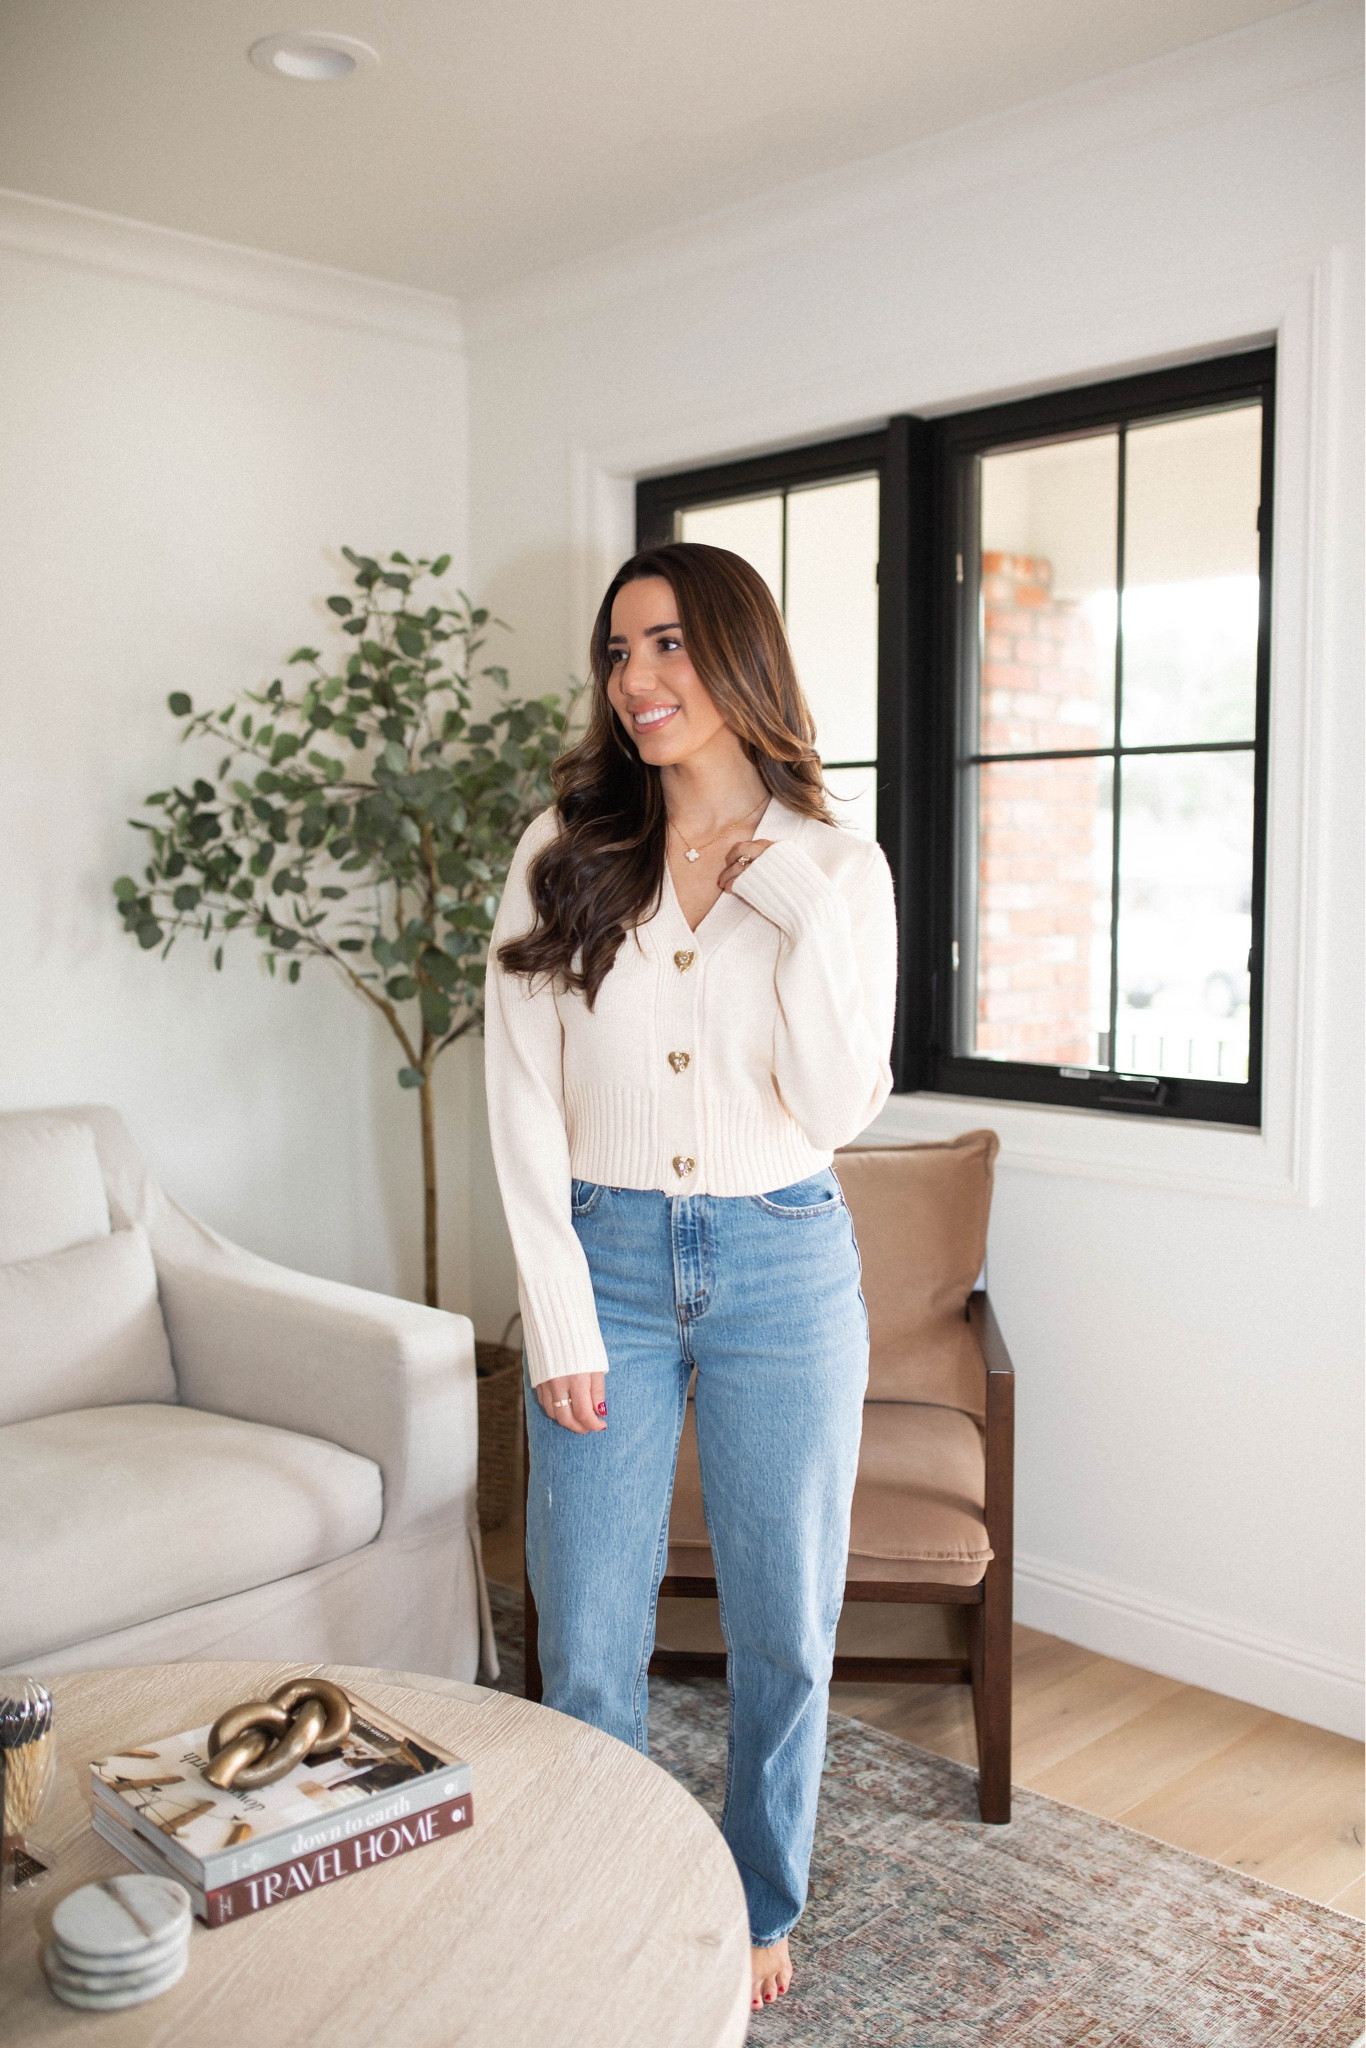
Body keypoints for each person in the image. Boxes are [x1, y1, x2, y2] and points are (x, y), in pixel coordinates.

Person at [485, 541, 897, 2013]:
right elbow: (520, 1098)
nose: (635, 678)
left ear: (736, 655)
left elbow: (839, 1105)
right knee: (589, 1628)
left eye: (665, 644)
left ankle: (759, 1899)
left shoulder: (837, 869)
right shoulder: (563, 848)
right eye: (618, 651)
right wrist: (556, 1315)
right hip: (603, 1260)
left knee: (785, 1626)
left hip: (785, 1261)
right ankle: (612, 1892)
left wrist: (796, 913)